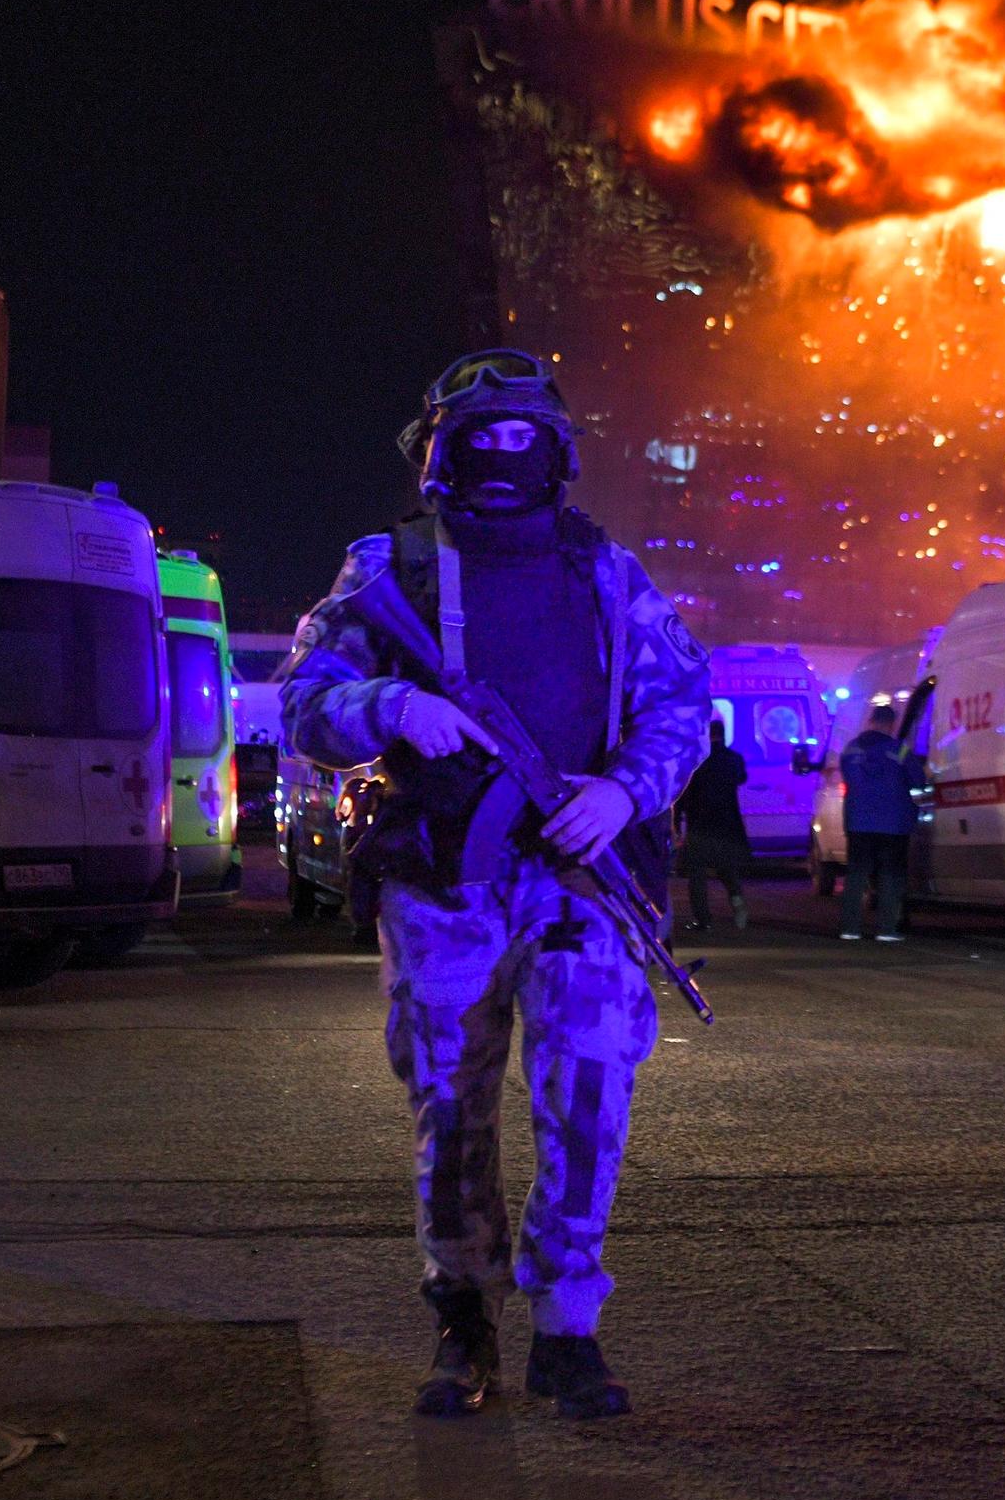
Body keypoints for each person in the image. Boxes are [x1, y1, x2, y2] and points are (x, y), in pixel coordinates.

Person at [281, 349, 709, 1423]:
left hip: (579, 880)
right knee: (449, 1109)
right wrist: (387, 707)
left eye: (526, 439)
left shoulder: (607, 574)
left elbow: (682, 709)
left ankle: (568, 1327)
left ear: (556, 454)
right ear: (440, 453)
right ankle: (460, 1316)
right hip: (442, 884)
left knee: (589, 1095)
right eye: (483, 439)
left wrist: (621, 794)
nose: (505, 458)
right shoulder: (390, 569)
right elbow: (304, 698)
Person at [837, 694, 925, 943]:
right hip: (893, 824)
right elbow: (918, 780)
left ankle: (850, 928)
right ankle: (886, 929)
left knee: (856, 875)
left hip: (859, 822)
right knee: (891, 875)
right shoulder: (900, 749)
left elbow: (849, 779)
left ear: (870, 721)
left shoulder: (851, 749)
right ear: (891, 724)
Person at [674, 718, 750, 933]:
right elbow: (741, 778)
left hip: (699, 824)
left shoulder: (695, 761)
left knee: (697, 874)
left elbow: (683, 793)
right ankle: (737, 902)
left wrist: (677, 821)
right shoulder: (734, 759)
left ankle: (703, 920)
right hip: (727, 824)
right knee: (727, 868)